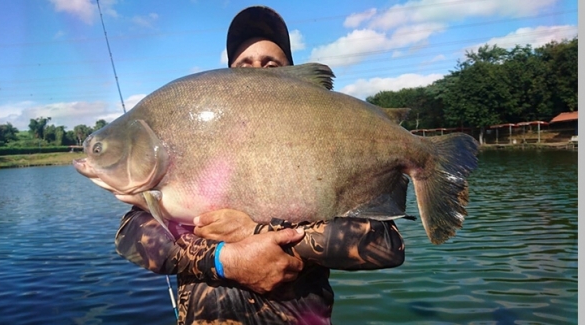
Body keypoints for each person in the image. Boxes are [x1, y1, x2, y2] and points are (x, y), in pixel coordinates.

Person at [114, 6, 407, 325]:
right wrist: (226, 258)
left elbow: (387, 245)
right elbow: (130, 238)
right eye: (244, 65)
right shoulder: (193, 145)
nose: (257, 71)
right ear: (227, 78)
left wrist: (257, 232)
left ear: (293, 77)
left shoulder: (326, 142)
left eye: (271, 64)